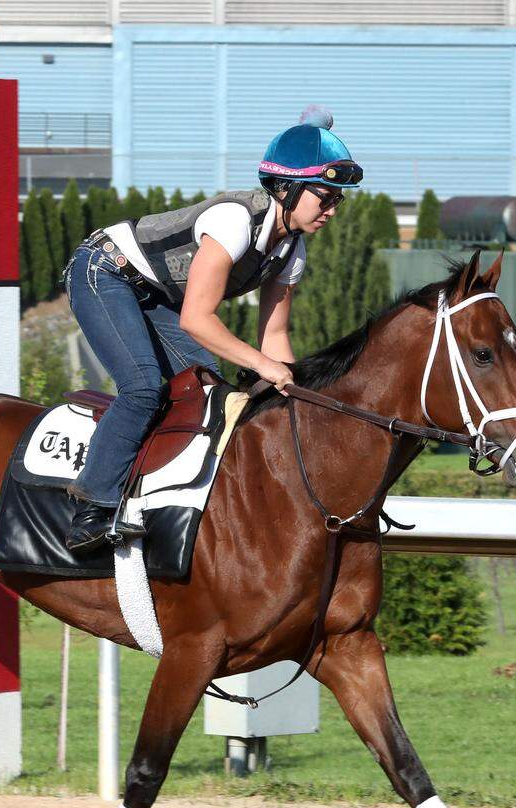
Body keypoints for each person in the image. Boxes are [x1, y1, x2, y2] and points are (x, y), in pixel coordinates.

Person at [60, 108, 362, 554]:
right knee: (142, 388)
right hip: (105, 272)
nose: (332, 209)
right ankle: (91, 510)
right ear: (289, 188)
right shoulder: (234, 220)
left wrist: (296, 397)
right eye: (326, 196)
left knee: (209, 392)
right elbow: (197, 320)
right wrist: (262, 366)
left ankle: (162, 498)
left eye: (339, 199)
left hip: (155, 295)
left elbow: (274, 340)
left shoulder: (293, 252)